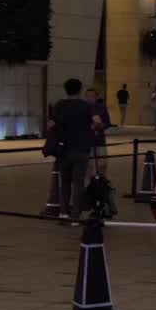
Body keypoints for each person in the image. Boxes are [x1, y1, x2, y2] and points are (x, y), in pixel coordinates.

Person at [50, 78, 99, 222]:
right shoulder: (87, 106)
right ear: (80, 90)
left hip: (64, 149)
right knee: (78, 183)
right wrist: (91, 129)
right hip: (82, 149)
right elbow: (97, 123)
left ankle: (64, 213)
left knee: (64, 182)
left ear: (66, 90)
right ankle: (76, 216)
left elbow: (51, 124)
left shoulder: (60, 105)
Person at [85, 88, 111, 179]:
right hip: (86, 141)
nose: (89, 98)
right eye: (87, 96)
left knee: (102, 163)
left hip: (100, 140)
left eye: (92, 96)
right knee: (89, 165)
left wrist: (100, 125)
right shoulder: (82, 108)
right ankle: (90, 185)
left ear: (96, 97)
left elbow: (107, 123)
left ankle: (101, 181)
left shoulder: (101, 107)